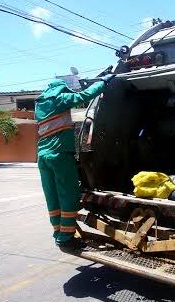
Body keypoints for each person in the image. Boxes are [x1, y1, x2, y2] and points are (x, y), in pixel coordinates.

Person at [35, 75, 115, 251]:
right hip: (59, 156)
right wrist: (103, 83)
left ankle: (58, 233)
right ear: (60, 90)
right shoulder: (59, 99)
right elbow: (83, 96)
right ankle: (66, 238)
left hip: (42, 156)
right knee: (68, 196)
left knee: (52, 197)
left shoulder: (39, 105)